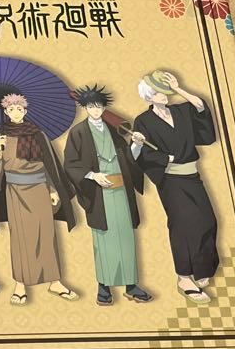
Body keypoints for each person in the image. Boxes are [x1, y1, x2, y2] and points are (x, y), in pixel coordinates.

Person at [0, 93, 78, 305]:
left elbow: (49, 165)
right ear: (6, 112)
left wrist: (52, 190)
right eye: (11, 109)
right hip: (15, 191)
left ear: (25, 111)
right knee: (20, 238)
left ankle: (54, 281)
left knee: (47, 234)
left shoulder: (37, 134)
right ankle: (20, 285)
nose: (15, 113)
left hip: (40, 189)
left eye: (19, 109)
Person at [133, 70, 220, 302]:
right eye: (158, 92)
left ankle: (202, 268)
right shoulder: (143, 121)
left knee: (207, 220)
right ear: (149, 96)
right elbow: (142, 155)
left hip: (193, 176)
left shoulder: (181, 110)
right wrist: (164, 158)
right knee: (182, 225)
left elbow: (200, 107)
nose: (164, 95)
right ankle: (183, 277)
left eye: (165, 91)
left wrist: (179, 88)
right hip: (170, 180)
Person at [63, 86, 152, 306]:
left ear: (104, 108)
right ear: (84, 107)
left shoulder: (114, 129)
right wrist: (93, 175)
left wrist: (137, 145)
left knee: (126, 237)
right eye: (91, 106)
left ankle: (131, 285)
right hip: (98, 193)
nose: (96, 110)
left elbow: (127, 159)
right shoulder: (78, 132)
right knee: (103, 240)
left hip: (121, 191)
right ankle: (104, 287)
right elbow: (71, 164)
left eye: (99, 106)